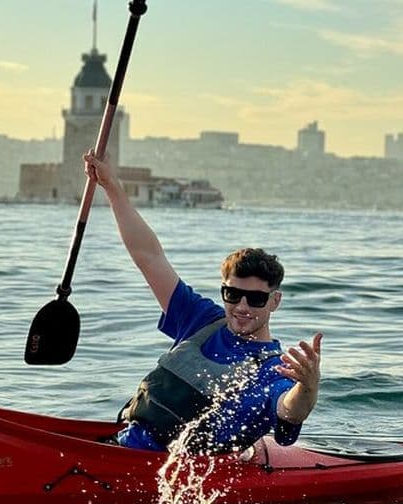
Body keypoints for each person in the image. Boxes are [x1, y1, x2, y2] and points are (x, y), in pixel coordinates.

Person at [84, 150, 322, 454]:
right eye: (232, 294)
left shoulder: (274, 369)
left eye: (256, 298)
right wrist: (113, 188)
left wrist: (308, 387)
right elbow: (149, 256)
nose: (242, 307)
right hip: (124, 445)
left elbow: (290, 409)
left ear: (274, 301)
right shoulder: (201, 319)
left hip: (179, 472)